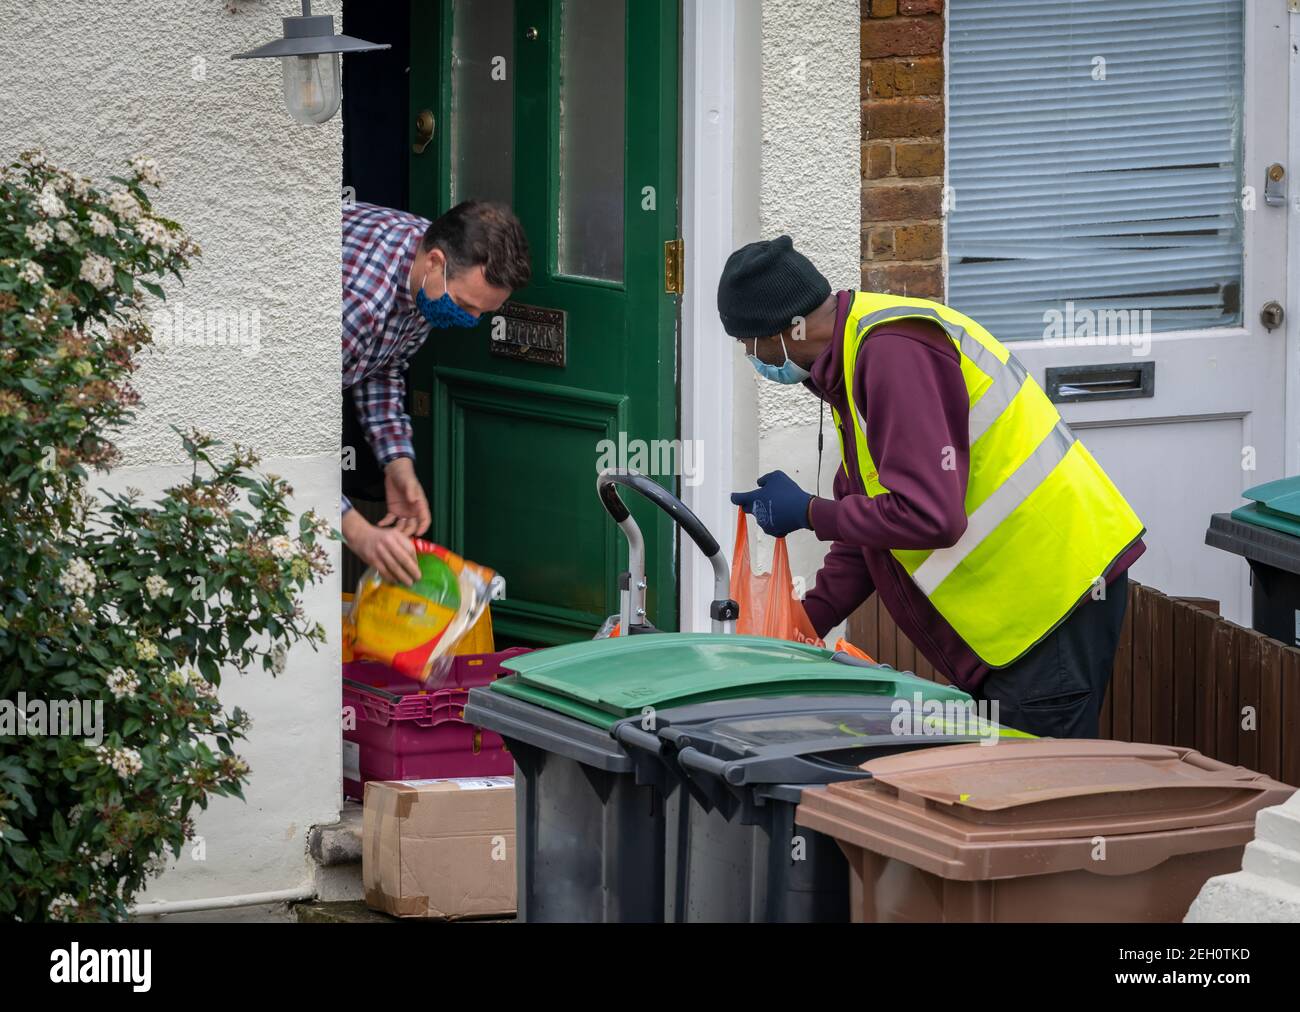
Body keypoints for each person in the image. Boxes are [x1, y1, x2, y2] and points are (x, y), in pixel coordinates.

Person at [722, 235, 1146, 738]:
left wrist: (811, 512)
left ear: (783, 332)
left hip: (1054, 602)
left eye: (750, 347)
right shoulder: (851, 360)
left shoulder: (890, 354)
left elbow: (930, 516)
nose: (753, 360)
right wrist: (802, 629)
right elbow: (873, 533)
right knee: (1006, 790)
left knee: (1036, 799)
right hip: (1026, 612)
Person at [341, 200, 530, 584]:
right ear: (434, 263)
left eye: (482, 314)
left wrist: (397, 464)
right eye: (464, 305)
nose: (470, 321)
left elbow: (382, 366)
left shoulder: (426, 266)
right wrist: (354, 529)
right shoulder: (359, 304)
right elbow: (283, 423)